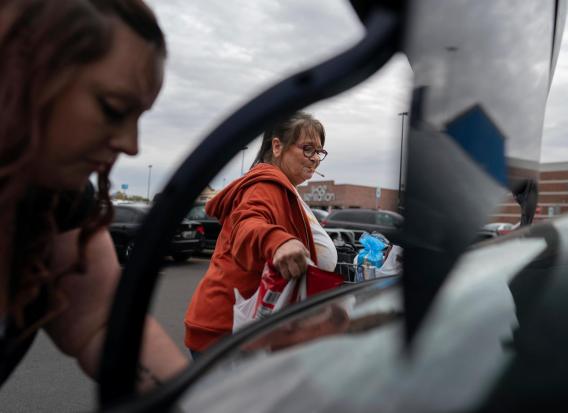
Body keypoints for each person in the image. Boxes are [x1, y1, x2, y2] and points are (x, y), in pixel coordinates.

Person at [0, 0, 187, 391]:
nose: (131, 145)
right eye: (114, 108)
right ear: (20, 71)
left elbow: (100, 322)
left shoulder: (53, 199)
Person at [185, 112, 337, 353]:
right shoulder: (264, 185)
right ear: (277, 146)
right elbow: (247, 223)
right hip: (225, 333)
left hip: (249, 327)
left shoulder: (286, 187)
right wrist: (278, 242)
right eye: (308, 149)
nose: (315, 159)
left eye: (319, 152)